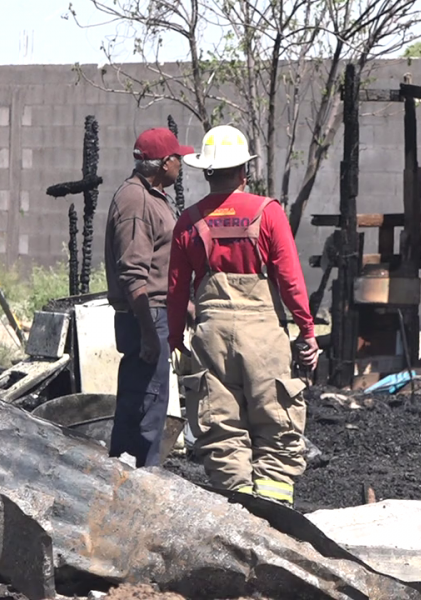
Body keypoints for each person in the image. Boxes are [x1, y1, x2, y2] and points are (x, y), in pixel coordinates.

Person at [167, 125, 318, 505]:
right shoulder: (268, 213)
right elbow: (290, 280)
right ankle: (274, 509)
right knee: (276, 420)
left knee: (220, 428)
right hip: (263, 334)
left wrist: (174, 340)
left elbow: (175, 288)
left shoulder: (188, 221)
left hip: (211, 335)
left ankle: (239, 511)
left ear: (206, 172)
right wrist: (307, 331)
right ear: (243, 172)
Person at [104, 127, 193, 466]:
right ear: (165, 163)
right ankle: (140, 481)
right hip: (145, 316)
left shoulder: (148, 196)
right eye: (178, 159)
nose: (180, 166)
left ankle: (131, 476)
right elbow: (133, 273)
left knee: (145, 401)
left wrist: (181, 302)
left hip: (155, 313)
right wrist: (148, 334)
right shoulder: (137, 202)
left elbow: (156, 262)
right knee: (146, 407)